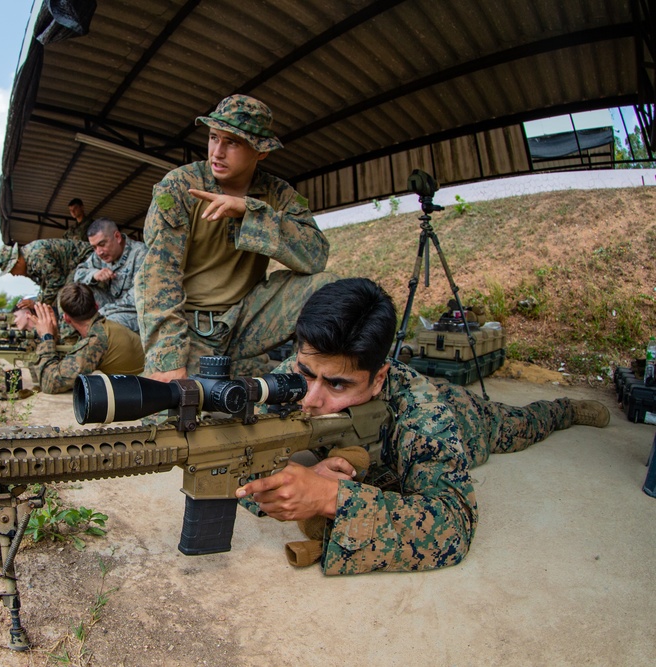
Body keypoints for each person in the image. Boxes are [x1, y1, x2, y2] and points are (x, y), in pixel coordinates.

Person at [235, 277, 611, 575]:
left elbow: (453, 526)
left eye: (338, 384)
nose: (310, 399)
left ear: (378, 378)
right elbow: (236, 456)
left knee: (520, 424)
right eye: (306, 374)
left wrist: (329, 498)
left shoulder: (423, 412)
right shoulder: (293, 376)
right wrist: (295, 477)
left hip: (467, 416)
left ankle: (566, 408)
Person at [135, 94, 335, 381]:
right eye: (214, 137)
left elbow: (316, 257)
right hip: (190, 329)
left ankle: (310, 374)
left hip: (245, 322)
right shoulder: (181, 185)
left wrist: (251, 213)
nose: (217, 152)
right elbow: (157, 275)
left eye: (232, 142)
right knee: (169, 415)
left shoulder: (279, 195)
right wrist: (168, 358)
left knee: (326, 287)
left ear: (261, 152)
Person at [31, 283, 144, 394]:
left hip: (140, 393)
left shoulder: (96, 341)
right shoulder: (107, 327)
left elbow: (50, 383)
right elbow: (71, 363)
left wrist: (46, 337)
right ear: (96, 306)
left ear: (66, 318)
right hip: (144, 385)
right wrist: (54, 337)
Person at [73, 217, 147, 332]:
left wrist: (101, 313)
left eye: (102, 244)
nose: (99, 252)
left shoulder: (140, 254)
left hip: (135, 312)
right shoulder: (100, 256)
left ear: (117, 237)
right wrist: (94, 274)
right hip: (110, 308)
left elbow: (137, 298)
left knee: (105, 325)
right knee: (77, 291)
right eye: (94, 247)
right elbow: (78, 274)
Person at [0, 239, 93, 309]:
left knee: (66, 298)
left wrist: (36, 303)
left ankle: (70, 337)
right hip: (72, 267)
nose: (13, 274)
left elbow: (56, 282)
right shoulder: (29, 263)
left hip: (85, 259)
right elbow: (46, 287)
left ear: (17, 262)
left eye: (11, 270)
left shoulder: (36, 256)